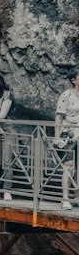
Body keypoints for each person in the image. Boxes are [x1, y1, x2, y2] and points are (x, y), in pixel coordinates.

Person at [53, 69, 79, 209]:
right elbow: (59, 116)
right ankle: (65, 198)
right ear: (74, 80)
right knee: (68, 165)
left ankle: (77, 196)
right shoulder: (66, 95)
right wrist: (57, 137)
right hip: (68, 134)